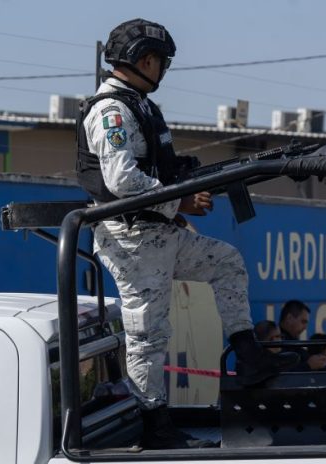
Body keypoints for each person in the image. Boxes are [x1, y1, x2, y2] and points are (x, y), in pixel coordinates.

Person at [76, 18, 298, 449]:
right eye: (160, 62)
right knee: (148, 332)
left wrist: (188, 182)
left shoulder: (137, 104)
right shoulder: (112, 111)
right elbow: (121, 180)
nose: (162, 71)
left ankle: (249, 356)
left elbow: (155, 168)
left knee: (226, 262)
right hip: (133, 240)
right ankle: (154, 422)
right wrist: (179, 201)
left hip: (160, 235)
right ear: (144, 60)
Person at [278, 300, 326, 371]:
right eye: (303, 322)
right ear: (289, 318)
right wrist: (308, 366)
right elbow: (281, 373)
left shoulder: (293, 343)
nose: (305, 327)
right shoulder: (277, 343)